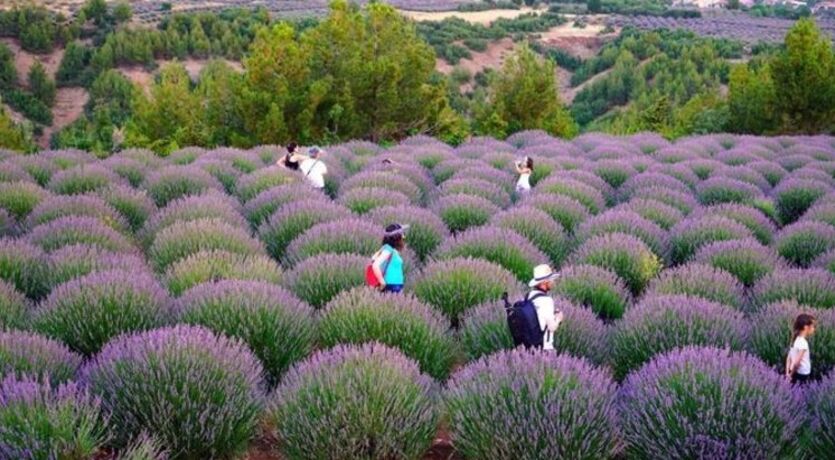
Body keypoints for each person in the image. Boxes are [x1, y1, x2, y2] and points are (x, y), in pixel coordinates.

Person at [527, 264, 564, 351]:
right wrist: (558, 318)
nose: (553, 282)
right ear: (544, 283)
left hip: (530, 346)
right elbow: (552, 327)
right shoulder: (546, 300)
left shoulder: (529, 296)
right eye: (551, 280)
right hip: (544, 348)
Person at [370, 223, 408, 294]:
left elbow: (373, 258)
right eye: (402, 235)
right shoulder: (388, 250)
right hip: (391, 286)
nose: (403, 237)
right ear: (396, 237)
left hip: (395, 285)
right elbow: (375, 265)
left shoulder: (390, 250)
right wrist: (382, 282)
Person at [786, 313, 817, 384]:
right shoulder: (803, 344)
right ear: (806, 327)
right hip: (803, 373)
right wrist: (791, 375)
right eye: (812, 327)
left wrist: (787, 373)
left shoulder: (795, 339)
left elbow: (788, 358)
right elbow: (797, 363)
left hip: (794, 372)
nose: (814, 329)